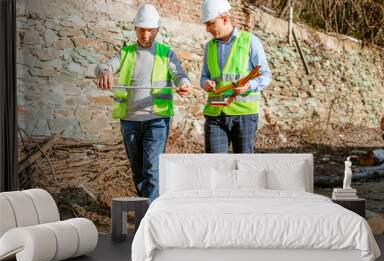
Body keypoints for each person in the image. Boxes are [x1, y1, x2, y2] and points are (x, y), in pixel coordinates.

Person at [96, 4, 191, 201]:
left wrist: (184, 84)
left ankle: (152, 214)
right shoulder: (126, 53)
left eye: (150, 30)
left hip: (156, 120)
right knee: (138, 171)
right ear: (135, 29)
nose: (145, 35)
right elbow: (104, 66)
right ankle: (146, 207)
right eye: (141, 30)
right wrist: (104, 71)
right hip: (130, 121)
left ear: (156, 30)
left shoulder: (166, 53)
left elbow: (179, 75)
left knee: (152, 169)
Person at [200, 0, 272, 153]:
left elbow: (266, 75)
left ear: (224, 19)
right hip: (215, 114)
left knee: (244, 166)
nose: (207, 29)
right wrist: (205, 83)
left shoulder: (250, 41)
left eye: (211, 24)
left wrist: (249, 86)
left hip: (244, 115)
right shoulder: (209, 47)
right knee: (214, 165)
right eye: (206, 24)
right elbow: (204, 76)